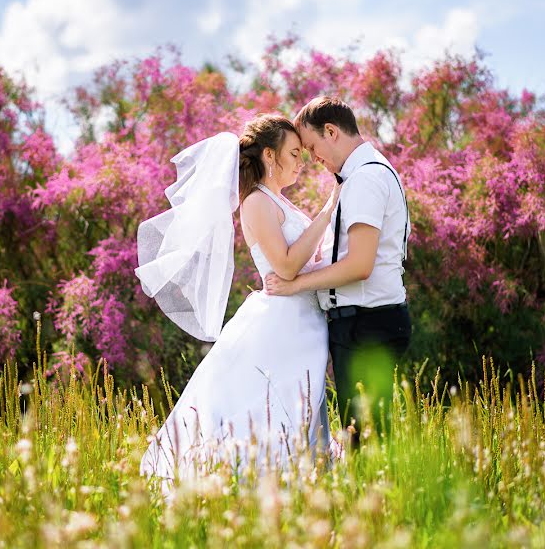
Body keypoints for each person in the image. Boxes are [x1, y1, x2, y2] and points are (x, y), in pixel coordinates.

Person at [135, 114, 340, 490]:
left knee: (301, 413)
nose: (301, 161)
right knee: (274, 413)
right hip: (281, 323)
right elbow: (287, 266)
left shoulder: (280, 202)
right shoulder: (256, 204)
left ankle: (307, 495)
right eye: (293, 153)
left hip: (301, 321)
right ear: (269, 155)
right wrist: (328, 212)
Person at [265, 96, 411, 450]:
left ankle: (375, 504)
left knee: (366, 442)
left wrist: (296, 283)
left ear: (331, 131)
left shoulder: (365, 178)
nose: (313, 159)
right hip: (364, 322)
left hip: (367, 324)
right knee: (363, 436)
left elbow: (359, 266)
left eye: (313, 147)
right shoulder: (361, 177)